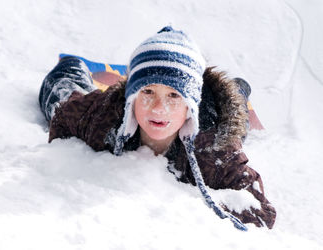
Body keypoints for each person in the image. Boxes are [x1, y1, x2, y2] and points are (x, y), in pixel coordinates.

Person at [39, 26, 276, 230]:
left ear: (190, 106)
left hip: (211, 118)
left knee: (236, 116)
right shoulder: (103, 114)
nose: (159, 108)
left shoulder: (216, 147)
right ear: (131, 97)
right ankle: (73, 66)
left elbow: (262, 213)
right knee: (59, 93)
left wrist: (180, 202)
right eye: (148, 92)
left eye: (174, 96)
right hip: (108, 102)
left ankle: (239, 89)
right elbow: (62, 116)